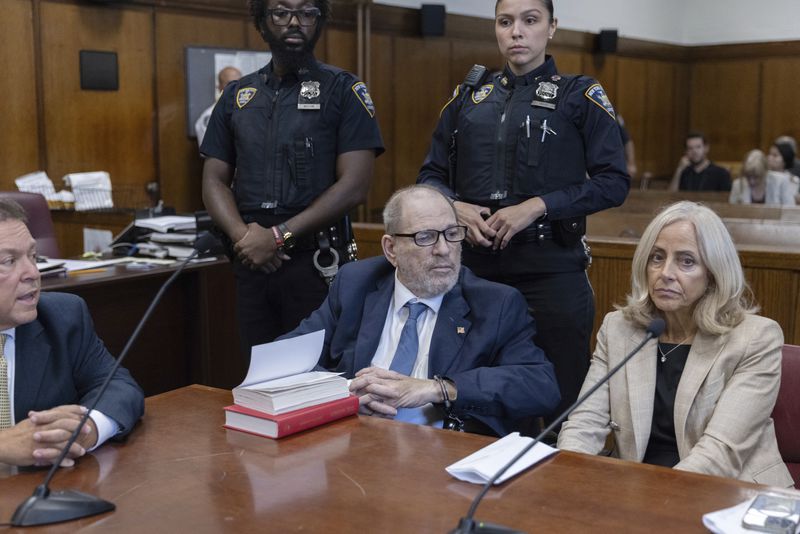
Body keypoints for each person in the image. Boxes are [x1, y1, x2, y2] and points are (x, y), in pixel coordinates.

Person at [417, 0, 629, 427]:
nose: (517, 32)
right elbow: (430, 176)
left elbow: (614, 181)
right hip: (476, 272)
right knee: (474, 398)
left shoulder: (579, 94)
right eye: (506, 21)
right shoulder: (468, 97)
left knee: (560, 404)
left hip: (552, 271)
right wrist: (452, 207)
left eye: (530, 21)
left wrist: (537, 206)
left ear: (551, 28)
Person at [279, 185, 560, 436]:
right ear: (391, 249)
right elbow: (286, 358)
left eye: (452, 234)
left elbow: (540, 385)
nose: (444, 249)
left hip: (441, 453)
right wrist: (347, 395)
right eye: (425, 237)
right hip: (356, 439)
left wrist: (436, 389)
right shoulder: (356, 284)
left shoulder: (495, 303)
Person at [557, 201, 793, 487]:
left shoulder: (755, 338)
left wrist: (652, 501)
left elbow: (721, 453)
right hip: (635, 488)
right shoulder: (619, 329)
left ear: (713, 274)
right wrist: (565, 478)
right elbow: (584, 425)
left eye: (686, 261)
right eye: (657, 257)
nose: (666, 273)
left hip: (731, 492)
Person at [200, 0, 384, 361]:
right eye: (281, 13)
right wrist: (245, 239)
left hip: (315, 262)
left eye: (307, 13)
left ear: (320, 21)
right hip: (251, 259)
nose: (294, 22)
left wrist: (278, 236)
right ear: (262, 21)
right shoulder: (238, 95)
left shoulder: (344, 90)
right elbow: (213, 181)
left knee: (317, 379)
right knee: (257, 379)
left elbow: (355, 186)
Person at [0, 199, 144, 467]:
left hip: (39, 493)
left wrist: (86, 429)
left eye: (33, 256)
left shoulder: (63, 317)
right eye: (9, 261)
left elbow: (119, 387)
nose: (32, 273)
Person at [195, 66, 242, 147]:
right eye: (230, 84)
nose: (236, 88)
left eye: (239, 83)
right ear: (219, 87)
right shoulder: (209, 116)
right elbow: (211, 151)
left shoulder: (249, 111)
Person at [729, 148, 795, 205]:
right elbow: (731, 211)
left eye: (756, 177)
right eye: (748, 176)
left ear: (765, 172)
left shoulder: (781, 182)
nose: (752, 181)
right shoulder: (737, 185)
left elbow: (789, 212)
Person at [767, 140, 800, 205]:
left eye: (775, 155)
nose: (769, 158)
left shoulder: (794, 181)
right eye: (769, 154)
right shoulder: (762, 176)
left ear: (785, 159)